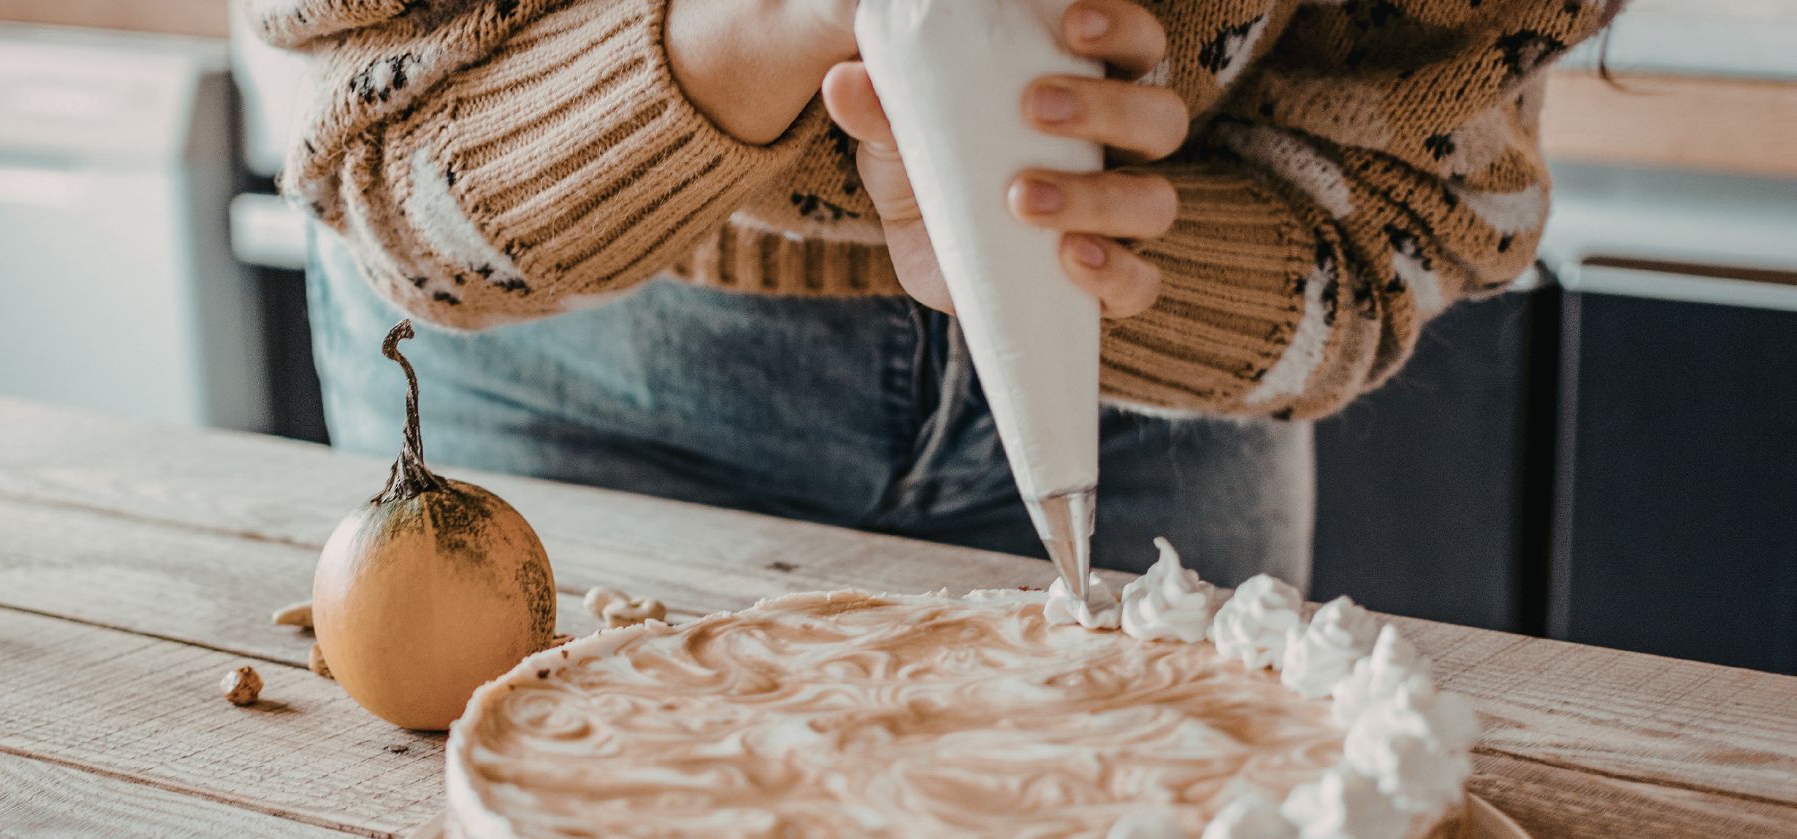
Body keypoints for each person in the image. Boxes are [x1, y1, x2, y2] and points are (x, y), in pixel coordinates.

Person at [251, 0, 1611, 588]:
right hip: (562, 372)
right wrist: (751, 34)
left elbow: (1397, 206)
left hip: (1165, 405)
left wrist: (1107, 260)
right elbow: (383, 154)